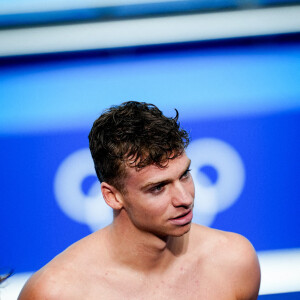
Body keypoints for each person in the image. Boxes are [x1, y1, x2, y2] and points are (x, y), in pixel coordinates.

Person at [18, 101, 260, 299]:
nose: (185, 198)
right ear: (112, 196)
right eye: (158, 187)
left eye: (184, 174)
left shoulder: (233, 262)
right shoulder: (56, 292)